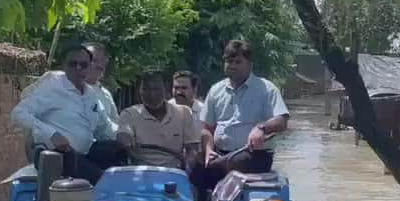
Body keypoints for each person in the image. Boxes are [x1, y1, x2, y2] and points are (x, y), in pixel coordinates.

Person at [10, 44, 130, 184]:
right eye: (73, 64)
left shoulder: (90, 94)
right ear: (64, 66)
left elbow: (103, 128)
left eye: (83, 65)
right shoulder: (52, 86)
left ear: (89, 67)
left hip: (85, 153)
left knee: (118, 153)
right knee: (103, 180)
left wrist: (124, 134)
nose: (78, 68)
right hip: (57, 155)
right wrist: (52, 134)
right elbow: (18, 114)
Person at [198, 39, 290, 175]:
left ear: (250, 65)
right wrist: (209, 151)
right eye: (229, 61)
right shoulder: (215, 90)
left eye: (238, 62)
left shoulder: (267, 89)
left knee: (236, 162)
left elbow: (282, 121)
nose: (232, 66)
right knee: (194, 167)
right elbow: (207, 130)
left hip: (254, 155)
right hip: (221, 155)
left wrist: (262, 128)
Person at [116, 71, 201, 171]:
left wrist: (188, 167)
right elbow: (123, 134)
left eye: (156, 89)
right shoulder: (129, 114)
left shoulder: (183, 113)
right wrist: (125, 140)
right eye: (145, 89)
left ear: (166, 90)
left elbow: (192, 149)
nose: (152, 95)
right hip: (140, 172)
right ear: (139, 91)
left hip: (174, 172)